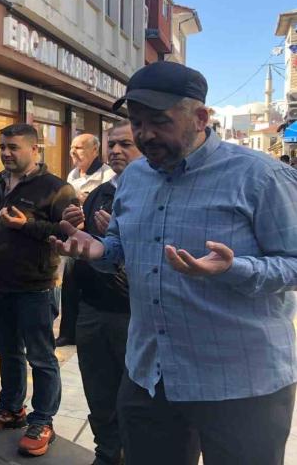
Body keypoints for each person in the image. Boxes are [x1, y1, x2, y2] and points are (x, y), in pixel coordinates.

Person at [51, 61, 297, 465]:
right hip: (151, 375)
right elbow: (120, 246)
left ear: (200, 117)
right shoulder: (134, 178)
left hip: (241, 383)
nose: (145, 134)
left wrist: (235, 269)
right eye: (137, 122)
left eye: (159, 121)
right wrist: (100, 252)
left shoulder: (261, 177)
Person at [0, 123, 77, 457]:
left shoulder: (56, 188)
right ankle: (11, 408)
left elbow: (68, 233)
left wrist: (27, 224)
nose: (6, 153)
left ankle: (43, 420)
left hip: (35, 287)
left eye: (13, 147)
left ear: (34, 149)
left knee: (41, 357)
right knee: (7, 351)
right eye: (3, 146)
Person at [61, 121, 141, 465]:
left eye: (126, 144)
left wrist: (122, 238)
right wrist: (78, 226)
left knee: (136, 397)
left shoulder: (157, 193)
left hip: (133, 314)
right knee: (98, 391)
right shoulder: (102, 192)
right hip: (93, 309)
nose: (117, 151)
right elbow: (88, 245)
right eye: (113, 144)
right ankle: (107, 454)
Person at [58, 133, 116, 348]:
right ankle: (67, 332)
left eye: (80, 148)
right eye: (72, 147)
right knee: (70, 285)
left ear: (95, 150)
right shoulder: (73, 174)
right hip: (76, 235)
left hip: (100, 240)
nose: (73, 152)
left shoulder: (108, 174)